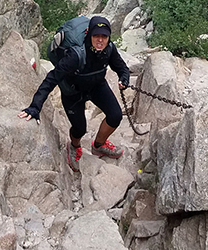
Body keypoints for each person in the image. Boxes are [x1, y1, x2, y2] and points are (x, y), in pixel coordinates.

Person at [18, 14, 130, 171]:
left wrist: (124, 79)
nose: (100, 40)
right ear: (89, 34)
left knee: (115, 115)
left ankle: (99, 145)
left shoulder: (109, 49)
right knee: (79, 129)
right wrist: (35, 107)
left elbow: (122, 67)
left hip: (97, 85)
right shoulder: (75, 55)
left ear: (109, 37)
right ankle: (74, 146)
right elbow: (51, 79)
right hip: (73, 92)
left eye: (104, 37)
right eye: (96, 36)